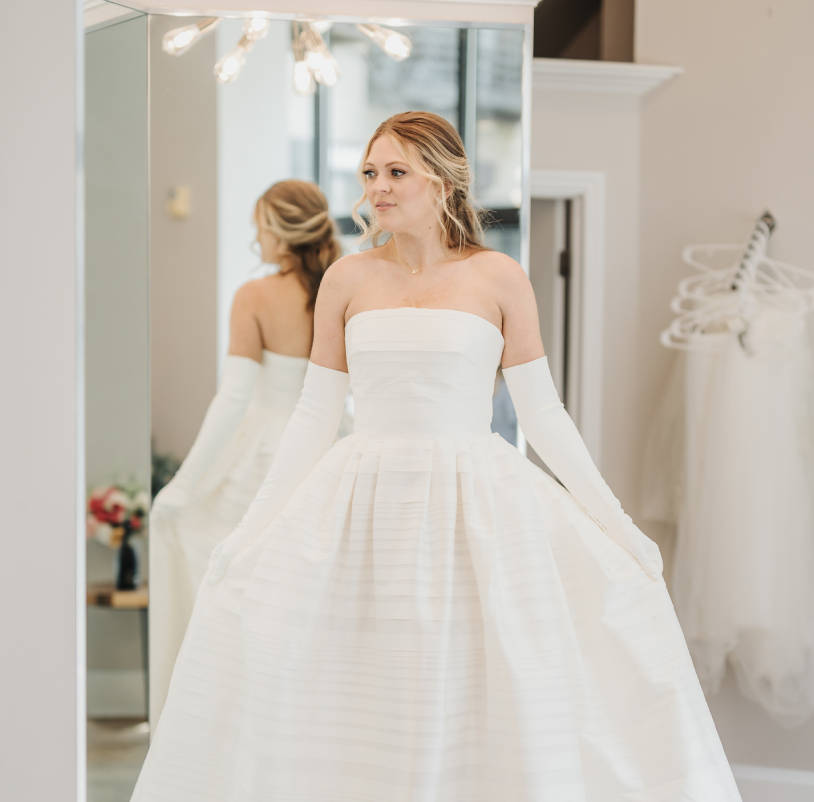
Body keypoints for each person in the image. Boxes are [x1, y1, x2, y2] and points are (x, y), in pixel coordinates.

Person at [131, 112, 743, 800]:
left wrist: (619, 525)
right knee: (362, 682)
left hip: (476, 504)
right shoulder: (347, 279)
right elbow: (312, 416)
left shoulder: (499, 276)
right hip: (362, 503)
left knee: (476, 681)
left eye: (396, 172)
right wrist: (249, 533)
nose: (378, 188)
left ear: (444, 182)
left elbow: (543, 415)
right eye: (370, 173)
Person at [147, 179, 346, 728]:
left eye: (259, 225)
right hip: (332, 446)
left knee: (235, 585)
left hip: (263, 449)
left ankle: (228, 718)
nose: (254, 238)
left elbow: (233, 397)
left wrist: (184, 486)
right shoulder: (345, 290)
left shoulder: (254, 297)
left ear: (279, 230)